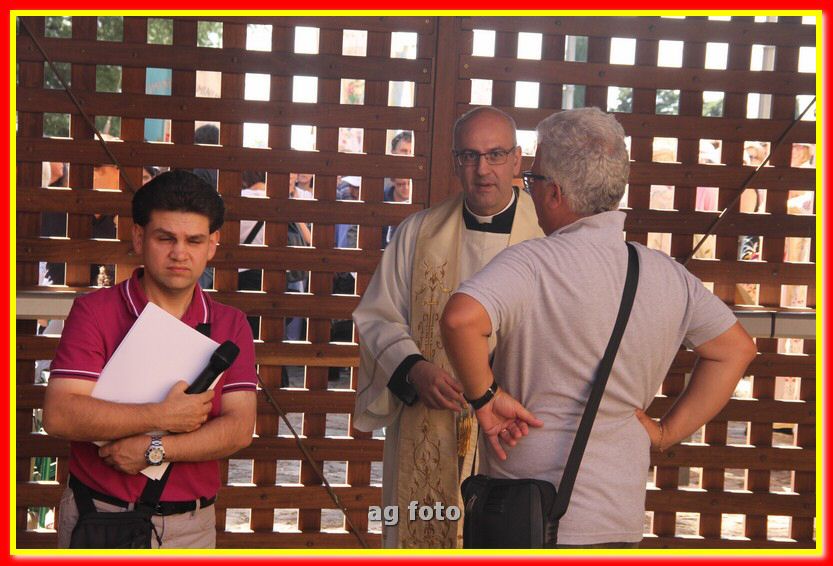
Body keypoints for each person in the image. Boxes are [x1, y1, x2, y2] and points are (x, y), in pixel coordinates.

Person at [439, 107, 757, 548]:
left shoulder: (531, 262)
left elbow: (460, 319)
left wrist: (486, 398)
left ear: (555, 193)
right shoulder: (665, 274)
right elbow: (736, 349)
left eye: (532, 180)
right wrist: (667, 433)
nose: (530, 189)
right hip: (617, 514)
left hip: (527, 515)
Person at [352, 106, 544, 548]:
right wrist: (414, 369)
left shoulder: (548, 238)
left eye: (495, 155)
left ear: (517, 159)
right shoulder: (418, 233)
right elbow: (378, 315)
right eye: (469, 156)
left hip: (518, 427)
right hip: (432, 417)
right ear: (456, 162)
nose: (483, 169)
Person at [43, 170, 258, 548]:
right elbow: (60, 415)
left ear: (212, 244)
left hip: (193, 525)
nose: (180, 253)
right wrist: (162, 416)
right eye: (165, 238)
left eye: (194, 240)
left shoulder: (231, 323)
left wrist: (154, 450)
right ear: (139, 237)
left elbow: (239, 428)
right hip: (100, 515)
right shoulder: (94, 312)